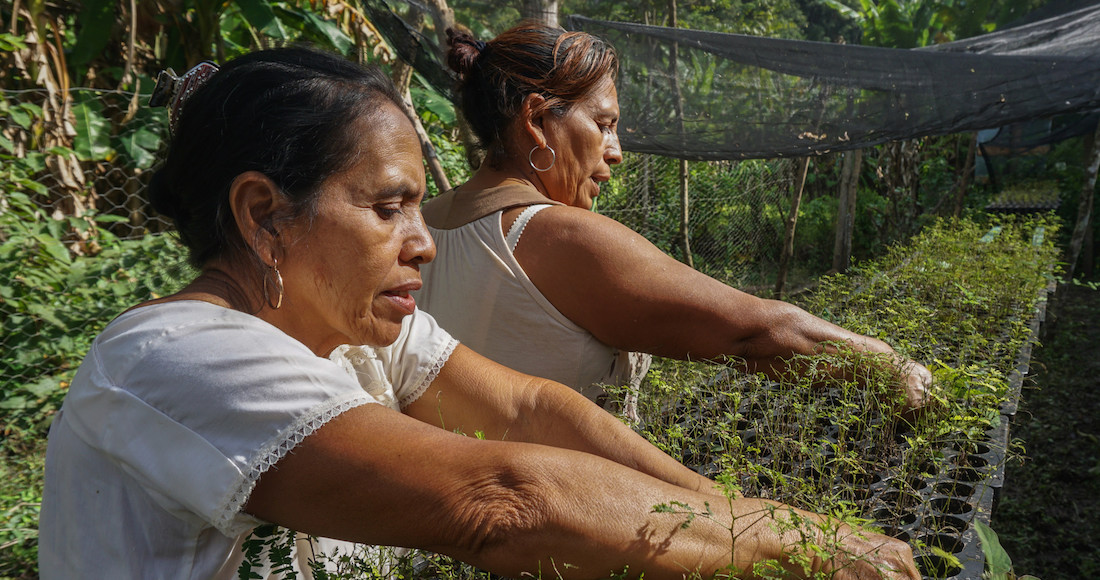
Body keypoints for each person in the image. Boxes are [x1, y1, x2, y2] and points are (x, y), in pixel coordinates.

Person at [38, 47, 919, 580]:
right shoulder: (177, 358)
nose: (423, 242)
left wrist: (759, 522)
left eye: (421, 208)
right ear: (264, 214)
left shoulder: (350, 332)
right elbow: (504, 500)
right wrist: (779, 546)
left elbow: (532, 410)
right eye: (388, 209)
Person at [416, 23, 934, 417]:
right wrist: (886, 366)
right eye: (604, 124)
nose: (616, 151)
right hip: (549, 545)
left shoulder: (417, 227)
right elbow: (751, 335)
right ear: (535, 119)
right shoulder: (556, 236)